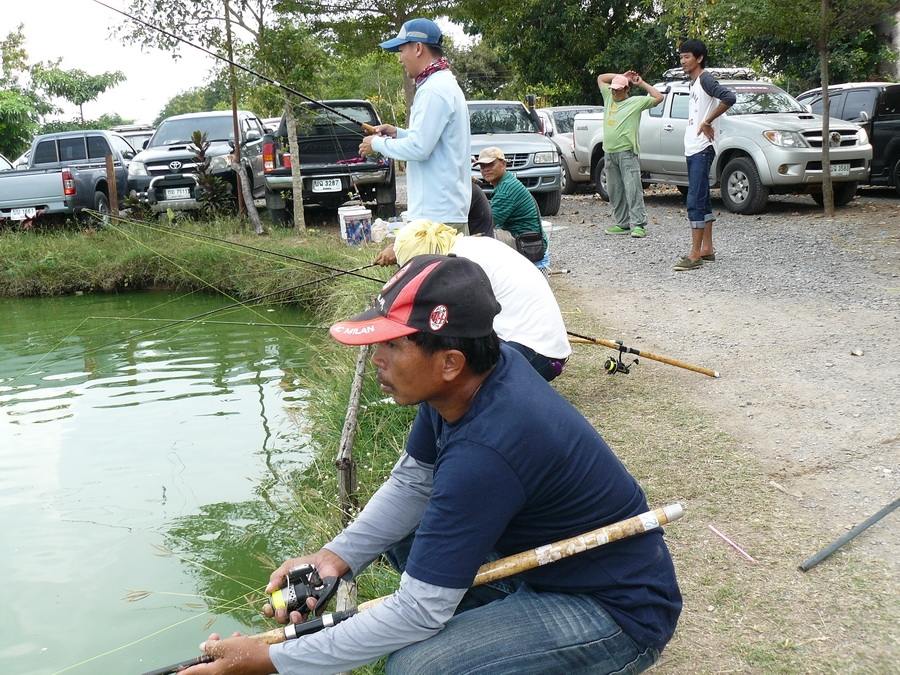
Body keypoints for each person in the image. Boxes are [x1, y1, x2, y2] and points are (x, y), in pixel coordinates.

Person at [187, 255, 682, 675]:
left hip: (611, 608)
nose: (375, 356)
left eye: (392, 344)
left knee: (416, 666)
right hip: (536, 567)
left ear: (449, 362)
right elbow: (414, 479)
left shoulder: (489, 447)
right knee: (402, 539)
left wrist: (275, 660)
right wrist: (333, 560)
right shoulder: (471, 377)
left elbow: (420, 612)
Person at [386, 219, 571, 381]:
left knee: (452, 370)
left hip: (534, 355)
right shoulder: (473, 245)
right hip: (550, 350)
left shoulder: (459, 264)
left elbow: (454, 325)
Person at [358, 18, 471, 233]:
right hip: (443, 211)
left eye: (402, 50)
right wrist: (397, 133)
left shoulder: (433, 90)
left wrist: (378, 143)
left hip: (436, 218)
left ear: (418, 48)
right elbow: (431, 141)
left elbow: (420, 148)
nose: (400, 58)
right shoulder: (443, 83)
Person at [674, 39, 736, 271]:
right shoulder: (694, 83)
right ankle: (707, 249)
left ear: (699, 58)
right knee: (702, 198)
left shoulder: (706, 79)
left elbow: (729, 97)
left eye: (687, 57)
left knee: (694, 199)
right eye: (681, 57)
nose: (683, 61)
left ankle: (694, 255)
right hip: (693, 147)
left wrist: (708, 120)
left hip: (702, 148)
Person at [596, 72, 663, 238]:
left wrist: (641, 83)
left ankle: (639, 224)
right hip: (609, 152)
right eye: (613, 89)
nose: (614, 92)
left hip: (627, 152)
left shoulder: (635, 102)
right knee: (615, 189)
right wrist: (620, 75)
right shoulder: (608, 97)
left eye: (618, 90)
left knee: (633, 188)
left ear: (626, 89)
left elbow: (658, 97)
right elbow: (600, 78)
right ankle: (622, 223)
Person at [373, 180, 493, 266]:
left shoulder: (457, 194)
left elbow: (431, 241)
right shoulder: (458, 188)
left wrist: (398, 249)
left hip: (481, 256)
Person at [474, 146, 547, 265]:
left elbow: (488, 223)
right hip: (527, 239)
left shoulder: (506, 189)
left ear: (503, 164)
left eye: (490, 165)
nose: (485, 169)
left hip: (527, 244)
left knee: (477, 239)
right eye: (482, 166)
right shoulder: (506, 182)